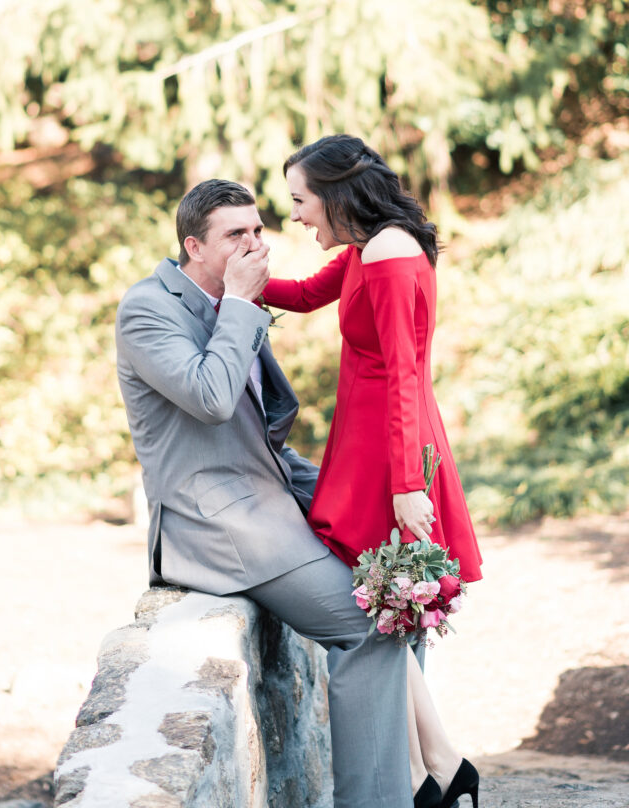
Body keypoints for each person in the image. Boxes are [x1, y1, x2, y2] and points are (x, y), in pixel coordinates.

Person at [116, 179, 471, 808]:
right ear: (194, 246)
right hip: (220, 519)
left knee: (395, 573)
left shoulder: (230, 296)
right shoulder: (150, 309)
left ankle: (430, 767)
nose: (257, 244)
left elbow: (268, 418)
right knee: (372, 625)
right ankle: (391, 796)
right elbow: (212, 398)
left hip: (273, 487)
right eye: (236, 235)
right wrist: (242, 308)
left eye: (258, 230)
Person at [261, 134, 484, 806]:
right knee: (383, 608)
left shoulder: (388, 254)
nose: (296, 216)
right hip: (367, 443)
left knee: (381, 606)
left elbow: (406, 375)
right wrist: (225, 281)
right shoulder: (365, 246)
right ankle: (435, 766)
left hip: (391, 449)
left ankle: (434, 767)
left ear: (334, 192)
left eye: (300, 201)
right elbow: (300, 296)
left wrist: (409, 485)